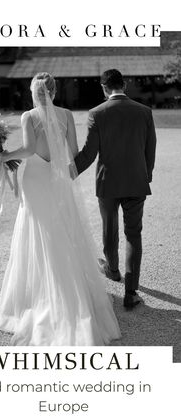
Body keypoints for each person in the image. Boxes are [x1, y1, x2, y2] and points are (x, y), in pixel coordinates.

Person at [0, 72, 121, 345]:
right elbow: (72, 152)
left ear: (35, 92)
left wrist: (4, 155)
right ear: (54, 91)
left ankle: (39, 294)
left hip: (35, 178)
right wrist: (58, 163)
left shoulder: (29, 116)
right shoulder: (67, 115)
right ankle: (71, 292)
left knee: (37, 231)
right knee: (62, 230)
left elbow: (27, 149)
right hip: (56, 179)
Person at [74, 69, 157, 309]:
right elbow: (150, 149)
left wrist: (67, 173)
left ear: (103, 88)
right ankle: (131, 293)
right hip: (136, 182)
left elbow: (89, 154)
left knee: (109, 229)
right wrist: (146, 175)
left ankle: (112, 270)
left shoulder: (96, 113)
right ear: (125, 85)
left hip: (108, 182)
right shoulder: (144, 112)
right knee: (134, 235)